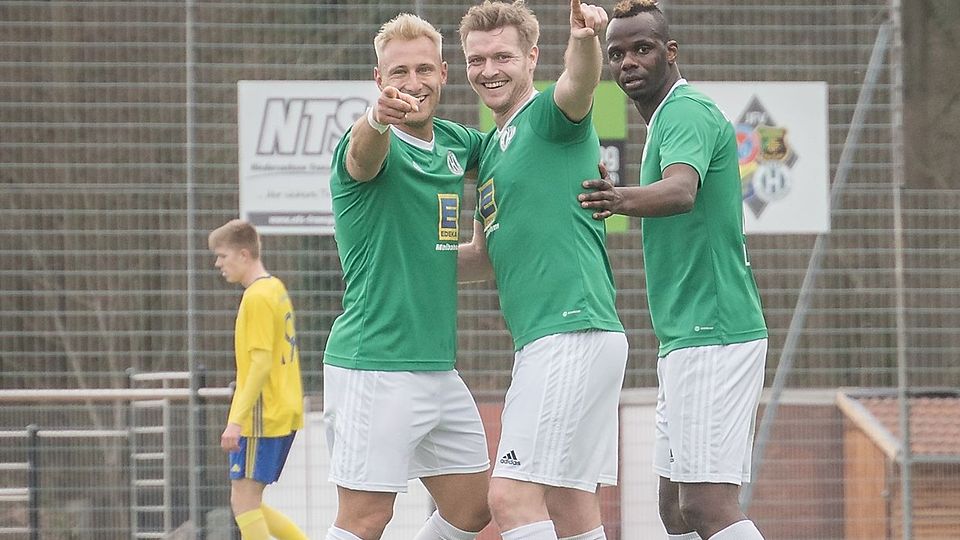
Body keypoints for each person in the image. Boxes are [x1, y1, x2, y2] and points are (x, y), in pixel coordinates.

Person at [578, 1, 769, 539]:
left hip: (716, 328)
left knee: (708, 505)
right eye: (616, 54)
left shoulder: (685, 111)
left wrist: (617, 198)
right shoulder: (665, 117)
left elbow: (682, 191)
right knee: (673, 507)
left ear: (670, 51)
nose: (628, 62)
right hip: (687, 335)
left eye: (642, 48)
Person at [457, 2, 627, 539]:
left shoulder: (550, 118)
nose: (490, 70)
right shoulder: (488, 150)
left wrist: (583, 39)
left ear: (532, 57)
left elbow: (578, 86)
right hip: (562, 339)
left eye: (503, 56)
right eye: (476, 59)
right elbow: (483, 259)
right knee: (570, 502)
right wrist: (402, 265)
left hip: (570, 330)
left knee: (511, 496)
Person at [322, 12, 491, 540]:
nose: (412, 84)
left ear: (444, 73)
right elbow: (361, 153)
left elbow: (516, 154)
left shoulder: (457, 143)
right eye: (398, 72)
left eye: (423, 69)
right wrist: (376, 120)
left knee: (473, 512)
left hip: (437, 368)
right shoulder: (369, 144)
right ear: (379, 80)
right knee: (367, 518)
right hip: (375, 365)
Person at [208, 219, 307, 540]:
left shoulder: (257, 297)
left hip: (261, 417)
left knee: (244, 503)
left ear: (244, 254)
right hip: (282, 410)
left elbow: (261, 363)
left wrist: (236, 420)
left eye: (223, 256)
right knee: (248, 503)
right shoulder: (274, 288)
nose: (218, 263)